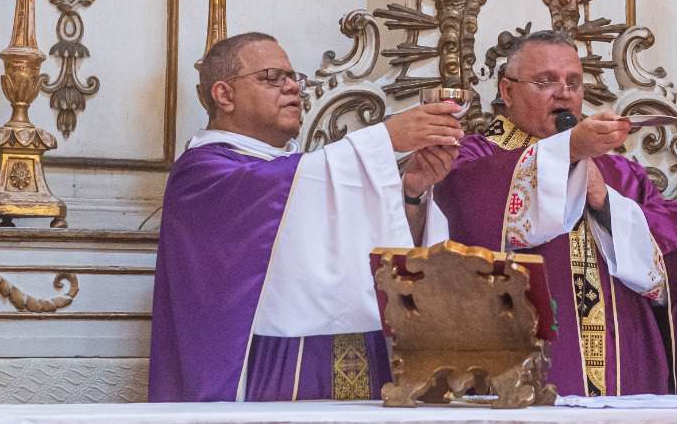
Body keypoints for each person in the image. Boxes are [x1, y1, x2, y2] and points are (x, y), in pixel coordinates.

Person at [148, 31, 463, 403]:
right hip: (270, 369)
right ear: (224, 95)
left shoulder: (308, 172)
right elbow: (279, 193)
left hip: (361, 361)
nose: (292, 88)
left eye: (292, 77)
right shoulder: (204, 174)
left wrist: (408, 192)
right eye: (271, 78)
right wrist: (384, 139)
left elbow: (376, 256)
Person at [427, 30, 677, 396]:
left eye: (574, 82)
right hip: (519, 371)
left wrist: (607, 204)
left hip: (624, 372)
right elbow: (467, 208)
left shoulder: (620, 172)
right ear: (507, 92)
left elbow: (675, 240)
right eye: (546, 81)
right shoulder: (471, 158)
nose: (565, 92)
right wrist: (565, 154)